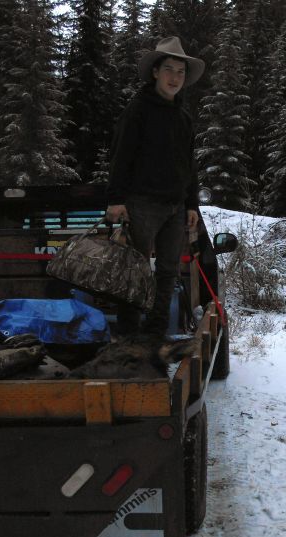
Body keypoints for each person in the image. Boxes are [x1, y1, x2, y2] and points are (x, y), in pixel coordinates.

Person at [104, 37, 205, 337]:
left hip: (175, 207)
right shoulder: (137, 111)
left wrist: (191, 205)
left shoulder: (184, 118)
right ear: (155, 72)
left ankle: (157, 333)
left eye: (181, 72)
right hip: (142, 204)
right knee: (134, 270)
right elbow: (120, 155)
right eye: (169, 70)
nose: (175, 78)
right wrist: (116, 199)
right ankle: (129, 335)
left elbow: (189, 166)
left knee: (168, 272)